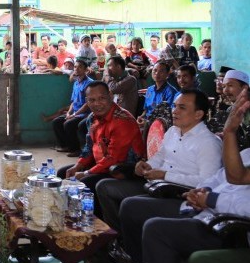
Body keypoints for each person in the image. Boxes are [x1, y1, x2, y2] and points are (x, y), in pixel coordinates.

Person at [96, 89, 222, 232]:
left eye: (182, 108)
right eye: (175, 106)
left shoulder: (209, 143)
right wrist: (147, 165)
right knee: (104, 186)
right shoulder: (173, 131)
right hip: (157, 185)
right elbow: (161, 157)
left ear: (198, 114)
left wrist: (165, 176)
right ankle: (117, 237)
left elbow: (207, 182)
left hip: (181, 195)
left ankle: (129, 248)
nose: (174, 111)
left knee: (130, 205)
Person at [58, 81, 145, 194]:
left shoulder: (122, 121)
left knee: (84, 183)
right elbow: (89, 147)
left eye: (102, 98)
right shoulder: (92, 118)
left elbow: (113, 158)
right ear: (87, 102)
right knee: (62, 173)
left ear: (110, 96)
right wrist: (78, 165)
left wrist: (86, 173)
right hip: (101, 165)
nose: (97, 104)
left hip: (122, 170)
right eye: (92, 100)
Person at [52, 60, 92, 156]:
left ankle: (76, 149)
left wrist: (74, 114)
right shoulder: (76, 83)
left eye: (80, 67)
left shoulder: (89, 83)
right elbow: (73, 101)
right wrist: (69, 113)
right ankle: (65, 146)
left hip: (86, 113)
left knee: (68, 124)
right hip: (76, 113)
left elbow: (88, 104)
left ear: (86, 70)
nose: (76, 69)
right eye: (75, 67)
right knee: (56, 121)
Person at [138, 62, 179, 128]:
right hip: (147, 122)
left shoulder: (171, 92)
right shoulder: (149, 90)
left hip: (161, 125)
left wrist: (148, 122)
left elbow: (168, 116)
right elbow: (146, 110)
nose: (157, 73)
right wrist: (141, 117)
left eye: (161, 71)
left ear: (167, 74)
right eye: (155, 70)